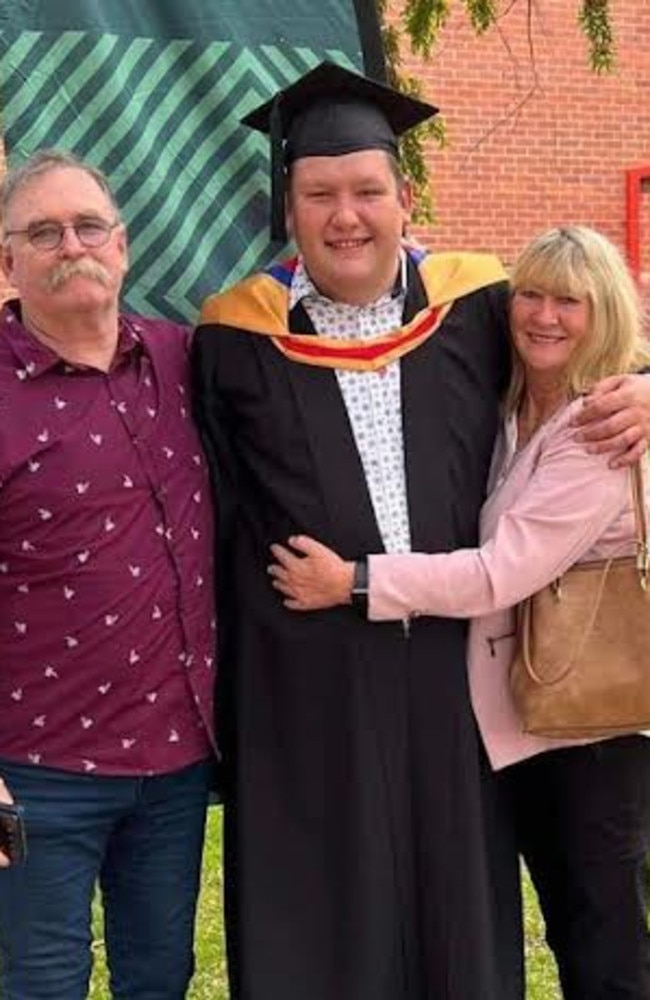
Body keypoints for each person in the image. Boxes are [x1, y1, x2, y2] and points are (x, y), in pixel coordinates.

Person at [192, 62, 650, 1000]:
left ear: (407, 197)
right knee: (330, 908)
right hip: (311, 680)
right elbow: (222, 512)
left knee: (463, 903)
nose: (346, 215)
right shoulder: (234, 340)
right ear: (290, 208)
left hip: (459, 672)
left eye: (367, 190)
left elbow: (589, 341)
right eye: (320, 194)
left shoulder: (477, 305)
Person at [269, 225, 650, 1000]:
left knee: (606, 944)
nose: (544, 315)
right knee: (573, 925)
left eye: (569, 302)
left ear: (604, 312)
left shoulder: (598, 431)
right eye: (531, 295)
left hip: (597, 736)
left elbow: (498, 572)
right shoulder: (515, 402)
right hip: (536, 722)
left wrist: (355, 582)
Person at [0, 149, 217, 1000]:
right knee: (41, 982)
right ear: (9, 261)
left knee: (159, 976)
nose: (71, 245)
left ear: (123, 246)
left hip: (173, 766)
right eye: (43, 232)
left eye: (88, 225)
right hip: (31, 772)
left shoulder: (185, 359)